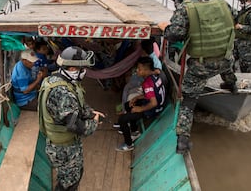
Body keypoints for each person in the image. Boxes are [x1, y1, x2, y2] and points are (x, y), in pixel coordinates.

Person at [157, 0, 237, 154]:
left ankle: (183, 142)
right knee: (228, 66)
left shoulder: (185, 8)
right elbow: (235, 19)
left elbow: (174, 35)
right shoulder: (222, 3)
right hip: (225, 60)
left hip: (200, 65)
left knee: (188, 102)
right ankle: (232, 86)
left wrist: (164, 27)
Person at [38, 46, 105, 190]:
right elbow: (75, 126)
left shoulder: (55, 79)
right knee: (69, 183)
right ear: (74, 69)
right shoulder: (63, 93)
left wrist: (91, 113)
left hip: (59, 145)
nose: (85, 72)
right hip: (65, 149)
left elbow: (75, 106)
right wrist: (94, 123)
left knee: (70, 178)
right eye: (83, 68)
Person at [115, 57, 167, 152]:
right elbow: (152, 94)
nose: (137, 71)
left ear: (146, 70)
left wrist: (140, 108)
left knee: (122, 119)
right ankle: (134, 132)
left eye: (139, 69)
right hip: (159, 104)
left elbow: (153, 103)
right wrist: (137, 97)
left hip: (154, 109)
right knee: (128, 105)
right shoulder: (154, 75)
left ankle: (128, 144)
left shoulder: (147, 83)